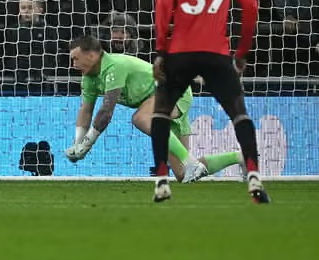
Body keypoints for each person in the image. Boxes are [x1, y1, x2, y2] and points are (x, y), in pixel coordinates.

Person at [152, 0, 262, 204]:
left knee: (160, 113)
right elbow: (251, 7)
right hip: (216, 53)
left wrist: (161, 50)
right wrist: (241, 53)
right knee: (239, 114)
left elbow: (162, 8)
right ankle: (253, 175)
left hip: (181, 53)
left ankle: (162, 180)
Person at [65, 35, 242, 182]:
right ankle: (241, 157)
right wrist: (77, 143)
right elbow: (86, 110)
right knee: (182, 174)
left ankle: (191, 163)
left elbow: (106, 111)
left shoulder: (114, 66)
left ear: (92, 55)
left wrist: (86, 144)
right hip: (159, 99)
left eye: (75, 58)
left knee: (141, 118)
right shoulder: (89, 79)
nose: (73, 64)